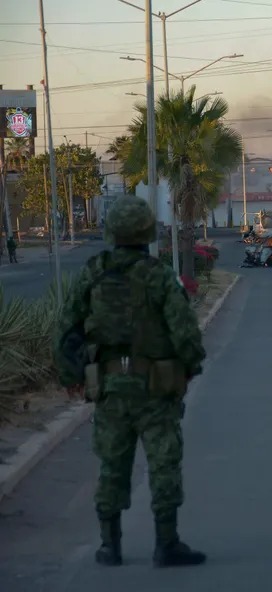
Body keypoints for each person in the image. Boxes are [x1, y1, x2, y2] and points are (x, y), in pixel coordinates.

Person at [52, 195, 207, 568]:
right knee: (164, 464)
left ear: (111, 233)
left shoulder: (94, 271)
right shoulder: (158, 276)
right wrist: (189, 367)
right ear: (146, 233)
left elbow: (66, 327)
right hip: (156, 389)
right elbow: (184, 330)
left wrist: (70, 375)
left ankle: (110, 546)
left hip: (110, 388)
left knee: (112, 465)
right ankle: (166, 544)